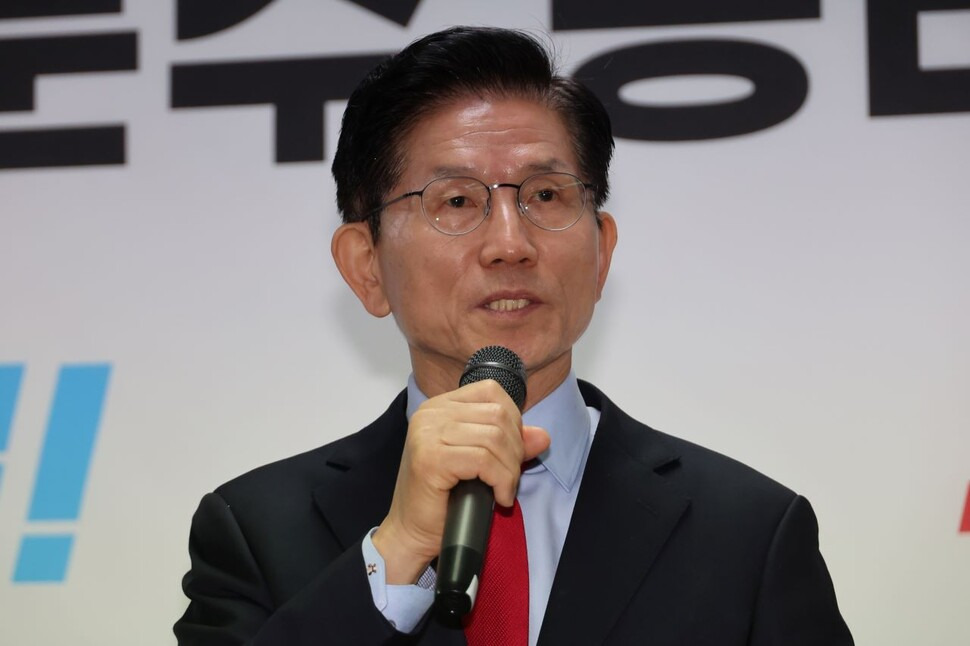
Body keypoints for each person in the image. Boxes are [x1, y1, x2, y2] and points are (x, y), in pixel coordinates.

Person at [174, 26, 853, 645]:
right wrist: (397, 553)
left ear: (601, 253)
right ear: (367, 267)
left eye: (546, 196)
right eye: (457, 201)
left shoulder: (749, 533)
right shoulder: (256, 529)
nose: (510, 243)